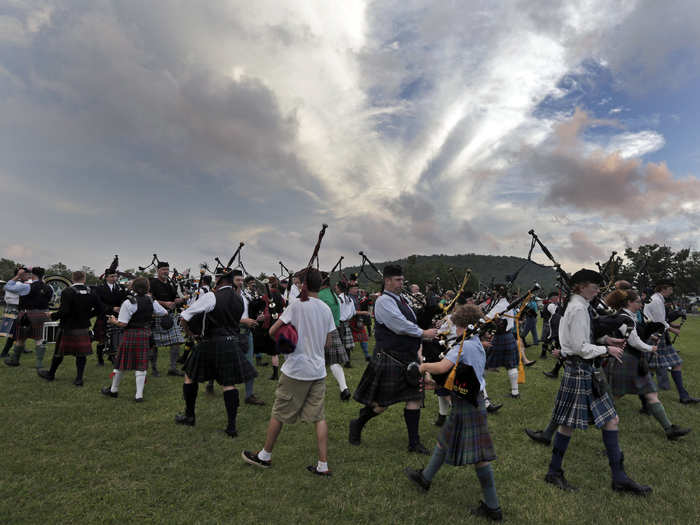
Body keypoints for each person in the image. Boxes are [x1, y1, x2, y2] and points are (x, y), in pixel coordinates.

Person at [541, 269, 651, 495]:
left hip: (579, 370)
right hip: (581, 369)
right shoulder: (579, 308)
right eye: (595, 285)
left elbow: (576, 339)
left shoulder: (574, 305)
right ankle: (559, 472)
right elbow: (581, 347)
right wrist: (606, 348)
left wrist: (604, 338)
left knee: (587, 422)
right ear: (581, 286)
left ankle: (613, 476)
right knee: (596, 421)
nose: (599, 289)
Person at [404, 304, 503, 522]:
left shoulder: (466, 346)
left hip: (469, 404)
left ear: (462, 326)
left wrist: (422, 367)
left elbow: (441, 368)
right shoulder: (474, 343)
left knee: (480, 458)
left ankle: (493, 507)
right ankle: (426, 478)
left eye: (455, 326)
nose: (454, 329)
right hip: (465, 401)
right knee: (444, 440)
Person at [242, 268, 336, 475]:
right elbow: (328, 343)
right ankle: (323, 465)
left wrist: (286, 344)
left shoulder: (296, 306)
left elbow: (272, 330)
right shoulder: (325, 309)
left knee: (279, 412)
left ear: (303, 285)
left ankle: (265, 456)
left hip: (296, 369)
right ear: (319, 285)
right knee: (319, 417)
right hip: (318, 370)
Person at [349, 265, 438, 454]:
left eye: (402, 279)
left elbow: (412, 321)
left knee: (414, 398)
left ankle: (414, 443)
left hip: (409, 357)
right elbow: (399, 325)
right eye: (398, 280)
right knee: (381, 405)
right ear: (387, 281)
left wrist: (430, 316)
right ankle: (358, 423)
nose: (401, 282)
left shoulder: (402, 299)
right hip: (391, 357)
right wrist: (424, 333)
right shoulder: (383, 302)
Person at [175, 269, 258, 437]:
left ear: (219, 282)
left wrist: (190, 334)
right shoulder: (240, 299)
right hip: (230, 342)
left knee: (190, 376)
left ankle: (190, 416)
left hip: (209, 342)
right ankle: (231, 427)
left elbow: (184, 316)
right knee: (228, 384)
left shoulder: (211, 296)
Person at [604, 289, 690, 440]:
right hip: (625, 361)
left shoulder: (629, 317)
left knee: (651, 394)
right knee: (615, 395)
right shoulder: (624, 318)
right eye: (638, 301)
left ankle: (669, 429)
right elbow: (633, 341)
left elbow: (637, 336)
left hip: (634, 361)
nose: (641, 304)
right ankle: (594, 414)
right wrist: (651, 348)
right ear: (629, 303)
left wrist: (651, 335)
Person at [100, 277, 168, 402]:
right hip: (145, 334)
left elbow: (123, 323)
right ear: (147, 288)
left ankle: (114, 390)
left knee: (120, 364)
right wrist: (148, 314)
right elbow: (164, 313)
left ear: (133, 288)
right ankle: (139, 395)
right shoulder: (151, 300)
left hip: (130, 334)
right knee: (141, 365)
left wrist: (113, 320)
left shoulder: (129, 302)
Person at [38, 271, 103, 385]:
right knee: (81, 355)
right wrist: (87, 316)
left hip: (68, 327)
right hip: (83, 327)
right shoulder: (91, 292)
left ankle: (51, 374)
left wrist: (52, 315)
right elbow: (99, 309)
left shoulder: (67, 291)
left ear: (73, 279)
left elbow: (64, 311)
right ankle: (79, 379)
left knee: (59, 352)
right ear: (84, 279)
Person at [643, 280, 699, 404]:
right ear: (663, 289)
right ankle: (646, 401)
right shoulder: (657, 301)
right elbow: (659, 322)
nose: (672, 291)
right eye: (670, 289)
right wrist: (674, 330)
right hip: (655, 336)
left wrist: (672, 327)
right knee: (650, 369)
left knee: (674, 363)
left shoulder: (657, 299)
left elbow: (662, 320)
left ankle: (683, 396)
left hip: (657, 335)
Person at [3, 267, 52, 368]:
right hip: (44, 315)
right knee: (40, 339)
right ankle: (39, 364)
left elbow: (7, 287)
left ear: (32, 275)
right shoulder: (49, 288)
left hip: (27, 315)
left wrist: (18, 276)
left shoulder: (27, 287)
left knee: (21, 338)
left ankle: (14, 360)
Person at [232, 271, 264, 406]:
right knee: (228, 364)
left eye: (241, 280)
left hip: (246, 333)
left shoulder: (245, 298)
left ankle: (249, 395)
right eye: (237, 280)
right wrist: (243, 321)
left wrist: (255, 319)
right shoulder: (228, 297)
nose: (240, 282)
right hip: (232, 333)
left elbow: (246, 314)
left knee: (249, 365)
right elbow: (228, 317)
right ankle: (214, 385)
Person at [149, 262, 186, 377]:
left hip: (169, 316)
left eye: (167, 269)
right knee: (154, 343)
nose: (165, 271)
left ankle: (173, 368)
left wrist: (179, 300)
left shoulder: (170, 283)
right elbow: (149, 298)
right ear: (158, 271)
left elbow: (175, 297)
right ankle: (154, 369)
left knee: (177, 341)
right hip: (156, 316)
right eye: (163, 269)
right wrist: (165, 303)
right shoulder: (152, 283)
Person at [484, 285, 522, 398]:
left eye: (494, 292)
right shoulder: (507, 304)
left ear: (498, 294)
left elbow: (487, 319)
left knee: (485, 364)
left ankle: (481, 392)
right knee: (511, 365)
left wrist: (480, 313)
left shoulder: (499, 305)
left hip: (499, 337)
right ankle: (515, 392)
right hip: (509, 336)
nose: (493, 294)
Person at [319, 273, 351, 401]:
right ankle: (344, 389)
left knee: (316, 361)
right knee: (334, 362)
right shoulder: (334, 295)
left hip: (321, 332)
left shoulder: (319, 296)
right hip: (334, 330)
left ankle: (315, 391)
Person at [93, 268, 127, 366]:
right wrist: (112, 308)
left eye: (115, 276)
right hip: (104, 315)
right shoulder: (100, 288)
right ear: (106, 277)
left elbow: (124, 299)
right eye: (112, 276)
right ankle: (100, 360)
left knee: (115, 338)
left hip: (117, 316)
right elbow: (98, 303)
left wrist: (122, 307)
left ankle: (112, 357)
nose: (114, 278)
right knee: (102, 340)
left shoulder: (120, 287)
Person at [0, 268, 25, 358]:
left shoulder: (10, 283)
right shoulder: (19, 285)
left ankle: (21, 348)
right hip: (16, 309)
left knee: (17, 331)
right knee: (13, 332)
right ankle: (4, 352)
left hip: (9, 308)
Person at [336, 281, 357, 369]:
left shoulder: (337, 299)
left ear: (340, 288)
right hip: (346, 323)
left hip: (338, 323)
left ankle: (338, 362)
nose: (335, 289)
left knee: (338, 344)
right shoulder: (350, 299)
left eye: (336, 287)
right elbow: (354, 313)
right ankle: (347, 362)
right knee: (346, 345)